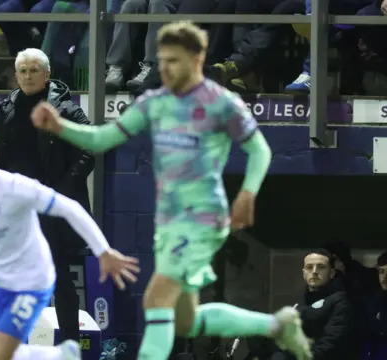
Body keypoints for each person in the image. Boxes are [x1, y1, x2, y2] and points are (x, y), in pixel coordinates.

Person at [31, 21, 312, 360]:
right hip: (168, 222)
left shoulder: (222, 104)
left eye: (173, 60)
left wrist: (248, 193)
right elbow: (103, 138)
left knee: (156, 299)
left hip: (202, 218)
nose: (164, 67)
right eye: (161, 60)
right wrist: (60, 126)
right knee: (185, 321)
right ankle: (277, 325)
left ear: (198, 58)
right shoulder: (155, 102)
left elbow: (260, 151)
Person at [0, 130, 140, 360]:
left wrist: (103, 251)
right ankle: (58, 354)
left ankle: (57, 356)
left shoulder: (16, 188)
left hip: (32, 280)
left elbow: (70, 208)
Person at [0, 48, 95, 344]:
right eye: (22, 70)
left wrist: (63, 188)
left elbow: (89, 150)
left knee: (60, 281)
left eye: (33, 70)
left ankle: (70, 346)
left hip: (52, 209)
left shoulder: (66, 109)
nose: (27, 76)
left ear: (47, 75)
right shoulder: (7, 109)